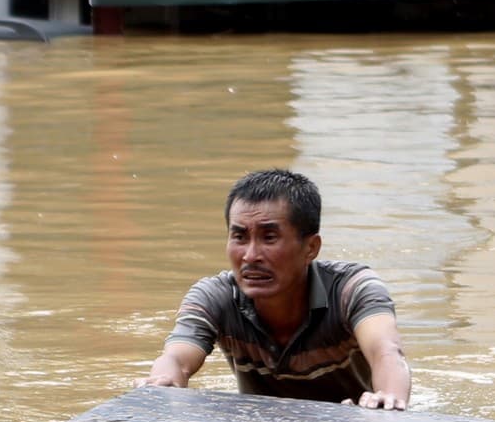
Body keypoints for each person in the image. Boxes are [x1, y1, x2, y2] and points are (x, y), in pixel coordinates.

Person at [142, 169, 411, 409]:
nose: (250, 256)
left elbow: (386, 351)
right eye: (239, 237)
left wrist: (388, 399)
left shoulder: (352, 289)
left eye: (269, 237)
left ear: (311, 248)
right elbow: (176, 359)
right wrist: (162, 387)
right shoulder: (216, 296)